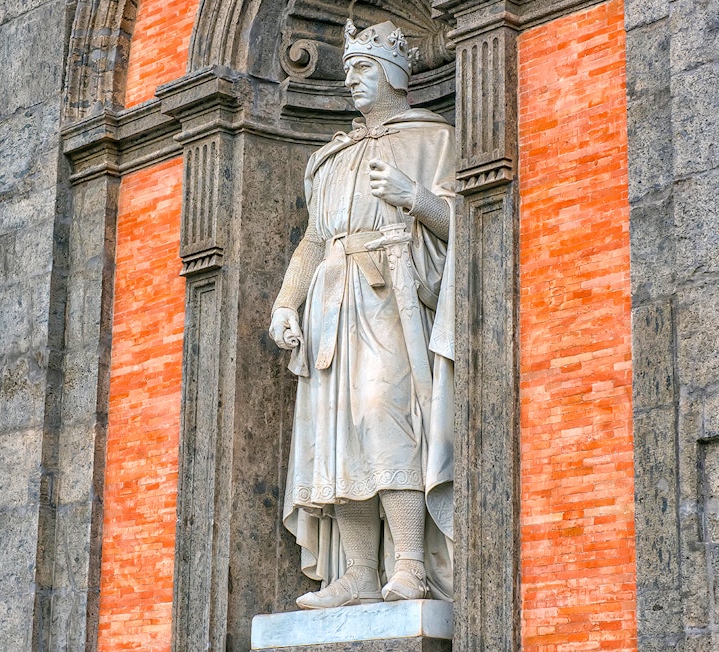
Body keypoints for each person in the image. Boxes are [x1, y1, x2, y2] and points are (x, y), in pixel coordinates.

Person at [268, 19, 456, 610]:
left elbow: (469, 224)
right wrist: (286, 303)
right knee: (338, 432)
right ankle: (356, 575)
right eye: (348, 69)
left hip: (391, 294)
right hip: (331, 303)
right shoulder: (329, 158)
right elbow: (313, 241)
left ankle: (410, 566)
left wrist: (413, 196)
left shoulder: (433, 139)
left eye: (364, 67)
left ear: (395, 73)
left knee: (381, 413)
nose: (351, 78)